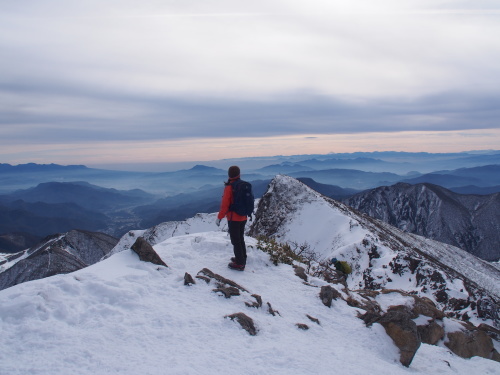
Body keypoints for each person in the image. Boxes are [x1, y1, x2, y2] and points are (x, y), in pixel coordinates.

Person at [216, 166, 248, 271]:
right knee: (240, 238)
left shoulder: (229, 187)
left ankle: (240, 263)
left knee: (235, 241)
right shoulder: (243, 185)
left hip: (234, 218)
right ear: (239, 174)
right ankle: (243, 257)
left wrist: (219, 217)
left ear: (229, 174)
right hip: (243, 216)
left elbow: (225, 205)